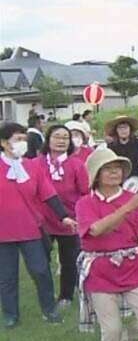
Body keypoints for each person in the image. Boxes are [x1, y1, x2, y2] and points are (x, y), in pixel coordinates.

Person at [77, 147, 138, 341]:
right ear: (96, 175)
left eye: (118, 168)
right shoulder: (85, 203)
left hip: (133, 268)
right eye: (108, 169)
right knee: (110, 329)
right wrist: (126, 208)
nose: (115, 172)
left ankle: (129, 340)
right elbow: (97, 230)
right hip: (100, 272)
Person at [1, 122, 74, 327]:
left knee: (41, 271)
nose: (22, 143)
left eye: (24, 139)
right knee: (7, 276)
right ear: (5, 143)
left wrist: (63, 216)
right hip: (3, 232)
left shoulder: (33, 166)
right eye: (17, 139)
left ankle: (49, 310)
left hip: (30, 229)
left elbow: (48, 193)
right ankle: (10, 315)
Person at [32, 124, 90, 307]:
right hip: (41, 220)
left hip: (70, 220)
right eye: (57, 137)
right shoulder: (36, 163)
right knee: (40, 261)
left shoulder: (76, 165)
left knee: (69, 260)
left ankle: (66, 296)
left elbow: (85, 193)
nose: (61, 141)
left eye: (65, 138)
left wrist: (81, 216)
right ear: (48, 140)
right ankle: (46, 295)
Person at [104, 115, 138, 185]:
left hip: (136, 182)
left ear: (130, 129)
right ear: (116, 130)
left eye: (125, 127)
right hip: (116, 183)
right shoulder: (109, 146)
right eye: (120, 128)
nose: (123, 130)